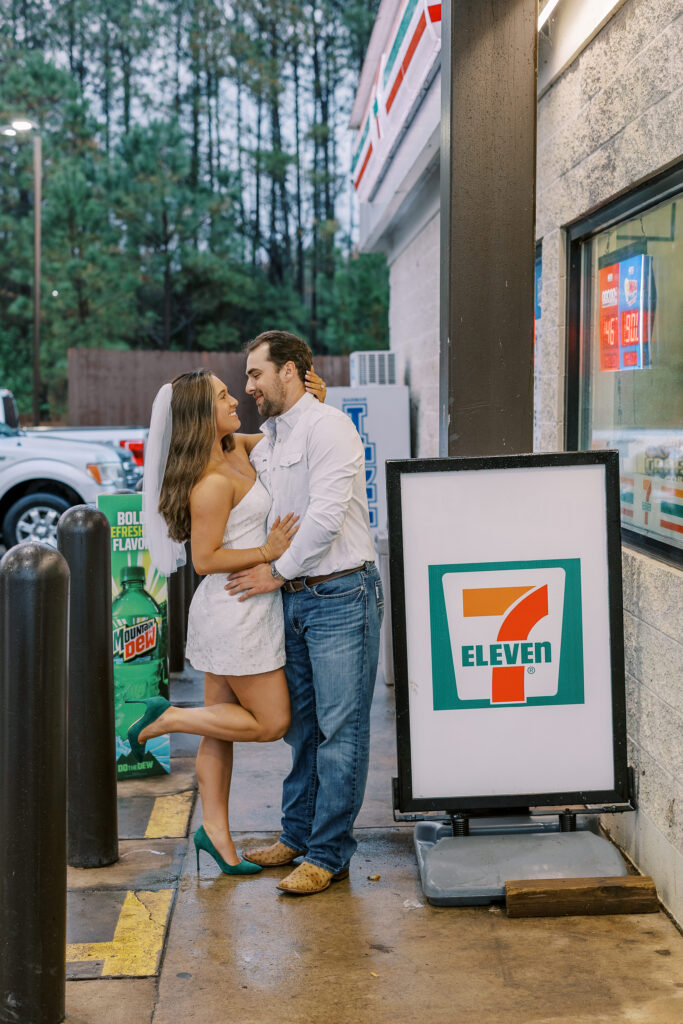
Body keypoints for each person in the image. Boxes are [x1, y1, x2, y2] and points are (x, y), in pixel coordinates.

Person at [129, 366, 325, 876]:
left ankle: (216, 835)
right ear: (200, 415)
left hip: (247, 607)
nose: (235, 398)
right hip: (235, 610)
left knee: (220, 732)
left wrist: (310, 399)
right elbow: (204, 560)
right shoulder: (209, 484)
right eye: (222, 396)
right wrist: (267, 550)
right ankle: (168, 718)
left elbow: (284, 434)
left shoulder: (237, 446)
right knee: (271, 722)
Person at [225, 330, 383, 896]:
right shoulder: (268, 441)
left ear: (289, 371)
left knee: (341, 729)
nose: (249, 387)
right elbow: (222, 443)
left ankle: (329, 854)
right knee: (303, 730)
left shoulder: (330, 428)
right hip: (293, 600)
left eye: (256, 374)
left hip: (341, 594)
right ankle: (296, 836)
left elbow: (323, 518)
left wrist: (274, 572)